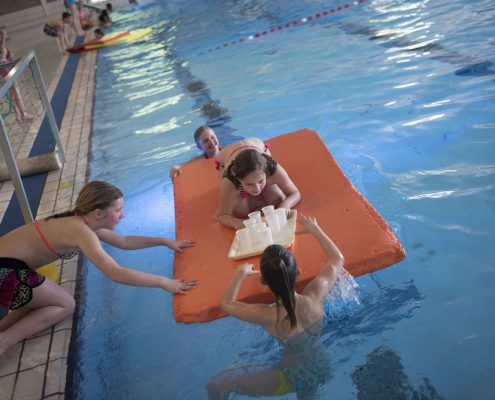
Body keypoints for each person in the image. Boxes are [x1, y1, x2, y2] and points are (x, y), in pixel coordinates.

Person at [0, 181, 197, 356]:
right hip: (5, 272)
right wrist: (163, 281)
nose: (123, 215)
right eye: (118, 209)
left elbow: (124, 241)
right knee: (65, 304)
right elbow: (116, 273)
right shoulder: (82, 231)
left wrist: (164, 241)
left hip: (8, 269)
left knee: (38, 300)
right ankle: (5, 341)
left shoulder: (81, 220)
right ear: (99, 213)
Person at [208, 214, 344, 398]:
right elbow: (337, 259)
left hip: (291, 376)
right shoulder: (315, 294)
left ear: (264, 281)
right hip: (321, 364)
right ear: (299, 272)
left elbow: (225, 303)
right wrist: (315, 229)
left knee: (216, 384)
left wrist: (240, 274)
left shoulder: (266, 315)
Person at [217, 139, 301, 229]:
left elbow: (295, 193)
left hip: (256, 145)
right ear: (238, 178)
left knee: (277, 199)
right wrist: (237, 222)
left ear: (266, 172)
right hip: (226, 156)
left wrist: (285, 205)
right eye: (249, 184)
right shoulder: (230, 179)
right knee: (241, 211)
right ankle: (250, 185)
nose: (257, 188)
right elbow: (222, 215)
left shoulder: (273, 169)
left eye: (260, 181)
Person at [0, 28, 33, 122]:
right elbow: (2, 53)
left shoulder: (4, 48)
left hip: (5, 74)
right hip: (6, 75)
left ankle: (18, 115)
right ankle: (23, 114)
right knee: (16, 93)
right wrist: (3, 34)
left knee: (12, 94)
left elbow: (8, 58)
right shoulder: (2, 48)